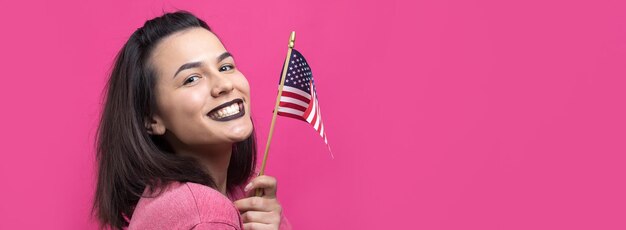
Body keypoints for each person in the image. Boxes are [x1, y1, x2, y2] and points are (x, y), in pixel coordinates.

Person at [93, 11, 290, 230]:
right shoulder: (205, 213)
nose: (223, 84)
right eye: (191, 79)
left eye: (225, 67)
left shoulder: (216, 197)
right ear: (151, 119)